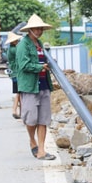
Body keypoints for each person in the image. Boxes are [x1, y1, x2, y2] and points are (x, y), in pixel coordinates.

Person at [15, 14, 56, 161]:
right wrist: (40, 67)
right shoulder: (23, 45)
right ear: (30, 30)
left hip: (44, 85)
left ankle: (42, 150)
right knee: (31, 118)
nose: (39, 31)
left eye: (41, 29)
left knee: (43, 119)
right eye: (36, 29)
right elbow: (24, 65)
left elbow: (44, 62)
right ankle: (32, 141)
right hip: (30, 86)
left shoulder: (40, 44)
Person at [5, 31, 23, 119]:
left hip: (14, 73)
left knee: (19, 93)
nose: (18, 41)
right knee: (19, 93)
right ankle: (15, 110)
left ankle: (20, 112)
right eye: (17, 40)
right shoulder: (14, 49)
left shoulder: (10, 49)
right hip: (17, 73)